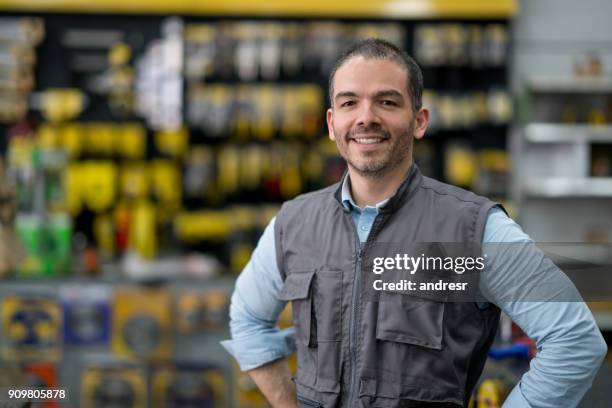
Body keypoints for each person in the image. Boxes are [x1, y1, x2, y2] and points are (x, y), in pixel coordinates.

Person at [221, 38, 607, 407]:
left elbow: (574, 340)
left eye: (387, 102)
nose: (366, 117)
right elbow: (248, 319)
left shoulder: (473, 231)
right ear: (331, 122)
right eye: (349, 102)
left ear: (419, 120)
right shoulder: (294, 224)